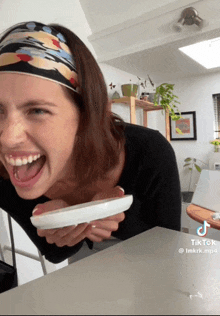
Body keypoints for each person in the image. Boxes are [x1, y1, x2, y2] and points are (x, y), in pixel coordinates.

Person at [0, 21, 181, 264]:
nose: (8, 139)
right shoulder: (5, 173)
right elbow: (56, 253)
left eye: (37, 110)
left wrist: (115, 216)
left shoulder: (149, 152)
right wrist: (59, 227)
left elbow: (169, 249)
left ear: (85, 114)